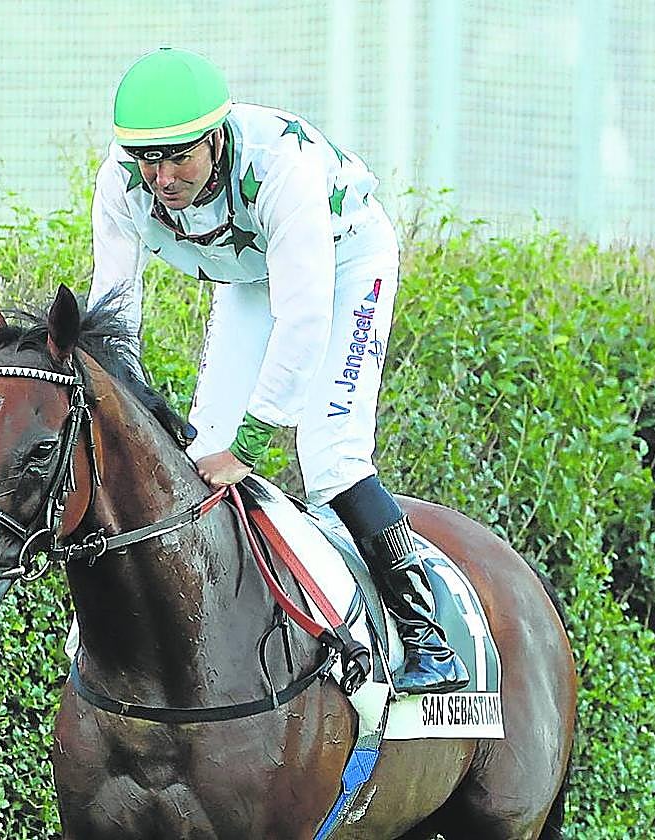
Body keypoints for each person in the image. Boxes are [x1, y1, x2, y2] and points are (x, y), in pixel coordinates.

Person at [88, 47, 468, 695]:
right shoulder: (120, 183)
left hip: (347, 263)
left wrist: (253, 445)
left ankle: (428, 637)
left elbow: (305, 319)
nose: (163, 178)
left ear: (216, 138)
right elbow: (115, 308)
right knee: (200, 455)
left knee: (331, 455)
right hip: (253, 275)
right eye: (149, 159)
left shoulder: (277, 167)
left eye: (179, 157)